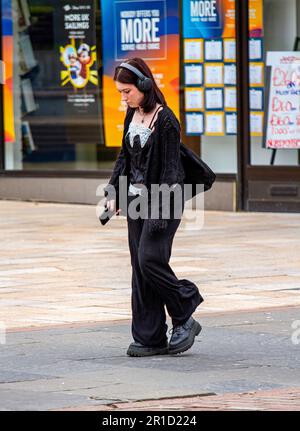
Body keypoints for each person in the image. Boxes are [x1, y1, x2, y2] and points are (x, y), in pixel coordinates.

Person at [103, 58, 203, 357]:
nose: (124, 98)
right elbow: (125, 158)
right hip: (135, 202)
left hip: (163, 202)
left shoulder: (167, 120)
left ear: (145, 86)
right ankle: (150, 336)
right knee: (140, 268)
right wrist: (113, 193)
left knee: (149, 260)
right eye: (120, 93)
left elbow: (172, 173)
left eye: (127, 91)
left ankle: (184, 308)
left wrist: (159, 214)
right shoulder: (131, 115)